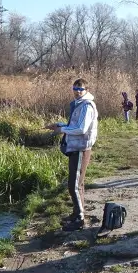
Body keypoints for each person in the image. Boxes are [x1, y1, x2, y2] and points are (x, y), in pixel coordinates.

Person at [45, 78, 98, 231]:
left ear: (86, 90)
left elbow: (81, 129)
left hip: (81, 148)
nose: (77, 91)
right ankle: (77, 213)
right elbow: (73, 126)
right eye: (74, 88)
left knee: (73, 185)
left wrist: (61, 130)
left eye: (80, 89)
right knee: (77, 184)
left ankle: (79, 219)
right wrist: (58, 125)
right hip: (75, 148)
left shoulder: (87, 106)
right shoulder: (79, 104)